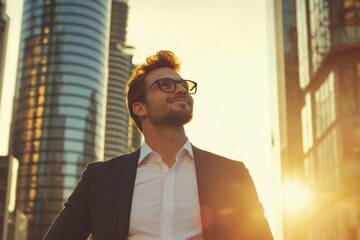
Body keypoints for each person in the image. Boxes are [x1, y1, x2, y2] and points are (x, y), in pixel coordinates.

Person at [43, 50, 274, 240]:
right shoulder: (99, 179)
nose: (181, 89)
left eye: (183, 85)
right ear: (139, 108)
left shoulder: (233, 175)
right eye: (166, 85)